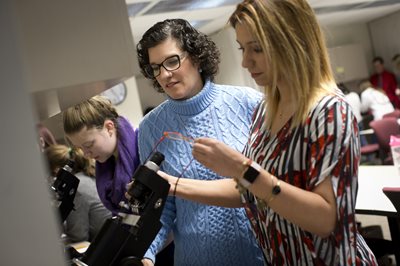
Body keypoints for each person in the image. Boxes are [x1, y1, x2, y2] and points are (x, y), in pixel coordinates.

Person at [156, 1, 378, 265]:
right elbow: (250, 190)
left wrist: (242, 168)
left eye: (257, 49)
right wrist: (173, 185)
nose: (245, 61)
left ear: (291, 42)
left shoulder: (329, 110)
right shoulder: (266, 111)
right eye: (242, 48)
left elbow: (326, 219)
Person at [136, 18, 264, 266]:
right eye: (155, 67)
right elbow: (161, 207)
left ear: (195, 56)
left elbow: (269, 187)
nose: (164, 74)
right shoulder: (150, 128)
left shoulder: (248, 103)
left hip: (259, 256)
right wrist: (146, 254)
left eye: (172, 61)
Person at [62, 95, 140, 215]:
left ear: (109, 128)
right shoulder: (110, 162)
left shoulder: (143, 145)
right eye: (80, 148)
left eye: (88, 145)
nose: (86, 154)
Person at [44, 144, 112, 243]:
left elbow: (78, 236)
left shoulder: (76, 187)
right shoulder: (87, 176)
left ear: (57, 170)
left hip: (105, 244)